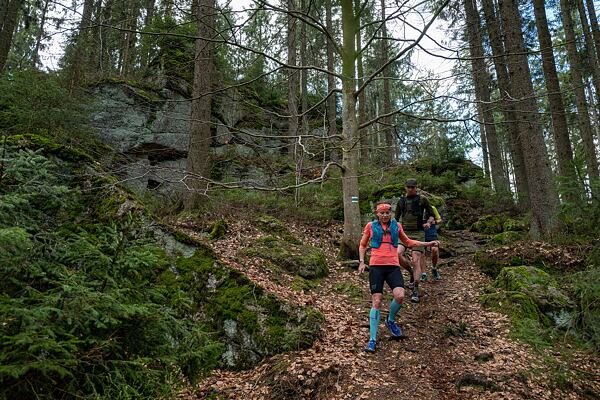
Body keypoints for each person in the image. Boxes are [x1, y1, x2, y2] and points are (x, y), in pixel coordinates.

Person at [358, 202, 439, 353]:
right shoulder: (370, 226)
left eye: (387, 212)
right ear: (377, 214)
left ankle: (391, 320)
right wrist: (362, 262)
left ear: (391, 213)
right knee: (376, 300)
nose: (384, 215)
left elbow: (408, 242)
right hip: (376, 267)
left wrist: (428, 242)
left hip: (393, 267)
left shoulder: (397, 226)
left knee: (400, 296)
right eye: (381, 213)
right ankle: (372, 340)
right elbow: (362, 245)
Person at [395, 178, 437, 303]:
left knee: (415, 259)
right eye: (409, 187)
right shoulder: (401, 201)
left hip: (418, 232)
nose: (411, 189)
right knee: (397, 254)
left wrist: (428, 223)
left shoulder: (422, 199)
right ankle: (411, 273)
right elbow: (396, 218)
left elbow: (431, 214)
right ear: (405, 188)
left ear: (416, 188)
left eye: (413, 187)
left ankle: (416, 289)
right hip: (404, 233)